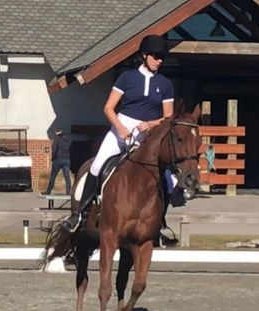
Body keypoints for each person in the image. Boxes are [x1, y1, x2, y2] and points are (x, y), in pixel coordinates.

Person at [61, 34, 175, 233]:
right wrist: (120, 128)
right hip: (120, 128)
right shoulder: (127, 78)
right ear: (145, 55)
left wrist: (150, 124)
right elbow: (108, 108)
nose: (160, 60)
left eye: (162, 57)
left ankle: (160, 223)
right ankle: (80, 214)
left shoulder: (165, 84)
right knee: (96, 166)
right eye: (156, 56)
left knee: (168, 178)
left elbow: (168, 117)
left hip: (147, 134)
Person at [42, 128, 72, 195]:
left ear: (57, 132)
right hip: (67, 159)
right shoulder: (68, 139)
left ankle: (48, 191)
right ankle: (68, 192)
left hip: (58, 159)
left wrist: (53, 158)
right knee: (67, 176)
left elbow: (54, 149)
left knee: (53, 175)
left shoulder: (57, 139)